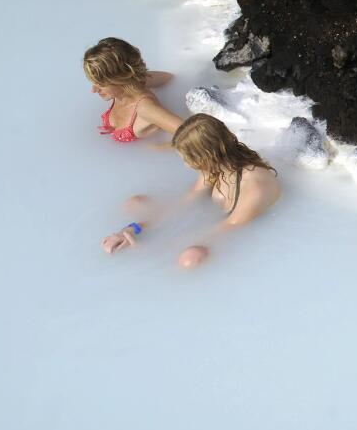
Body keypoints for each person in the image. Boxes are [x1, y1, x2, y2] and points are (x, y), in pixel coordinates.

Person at [100, 114, 281, 268]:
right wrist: (135, 228)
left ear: (208, 156)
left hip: (236, 236)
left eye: (188, 159)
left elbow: (228, 228)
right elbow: (186, 202)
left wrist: (155, 250)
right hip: (219, 221)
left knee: (190, 258)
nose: (187, 165)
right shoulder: (214, 168)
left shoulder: (255, 188)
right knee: (135, 203)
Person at [83, 37, 183, 143]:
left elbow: (190, 133)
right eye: (93, 82)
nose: (93, 90)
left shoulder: (146, 109)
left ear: (120, 78)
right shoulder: (131, 86)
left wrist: (166, 147)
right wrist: (179, 81)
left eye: (101, 84)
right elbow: (170, 77)